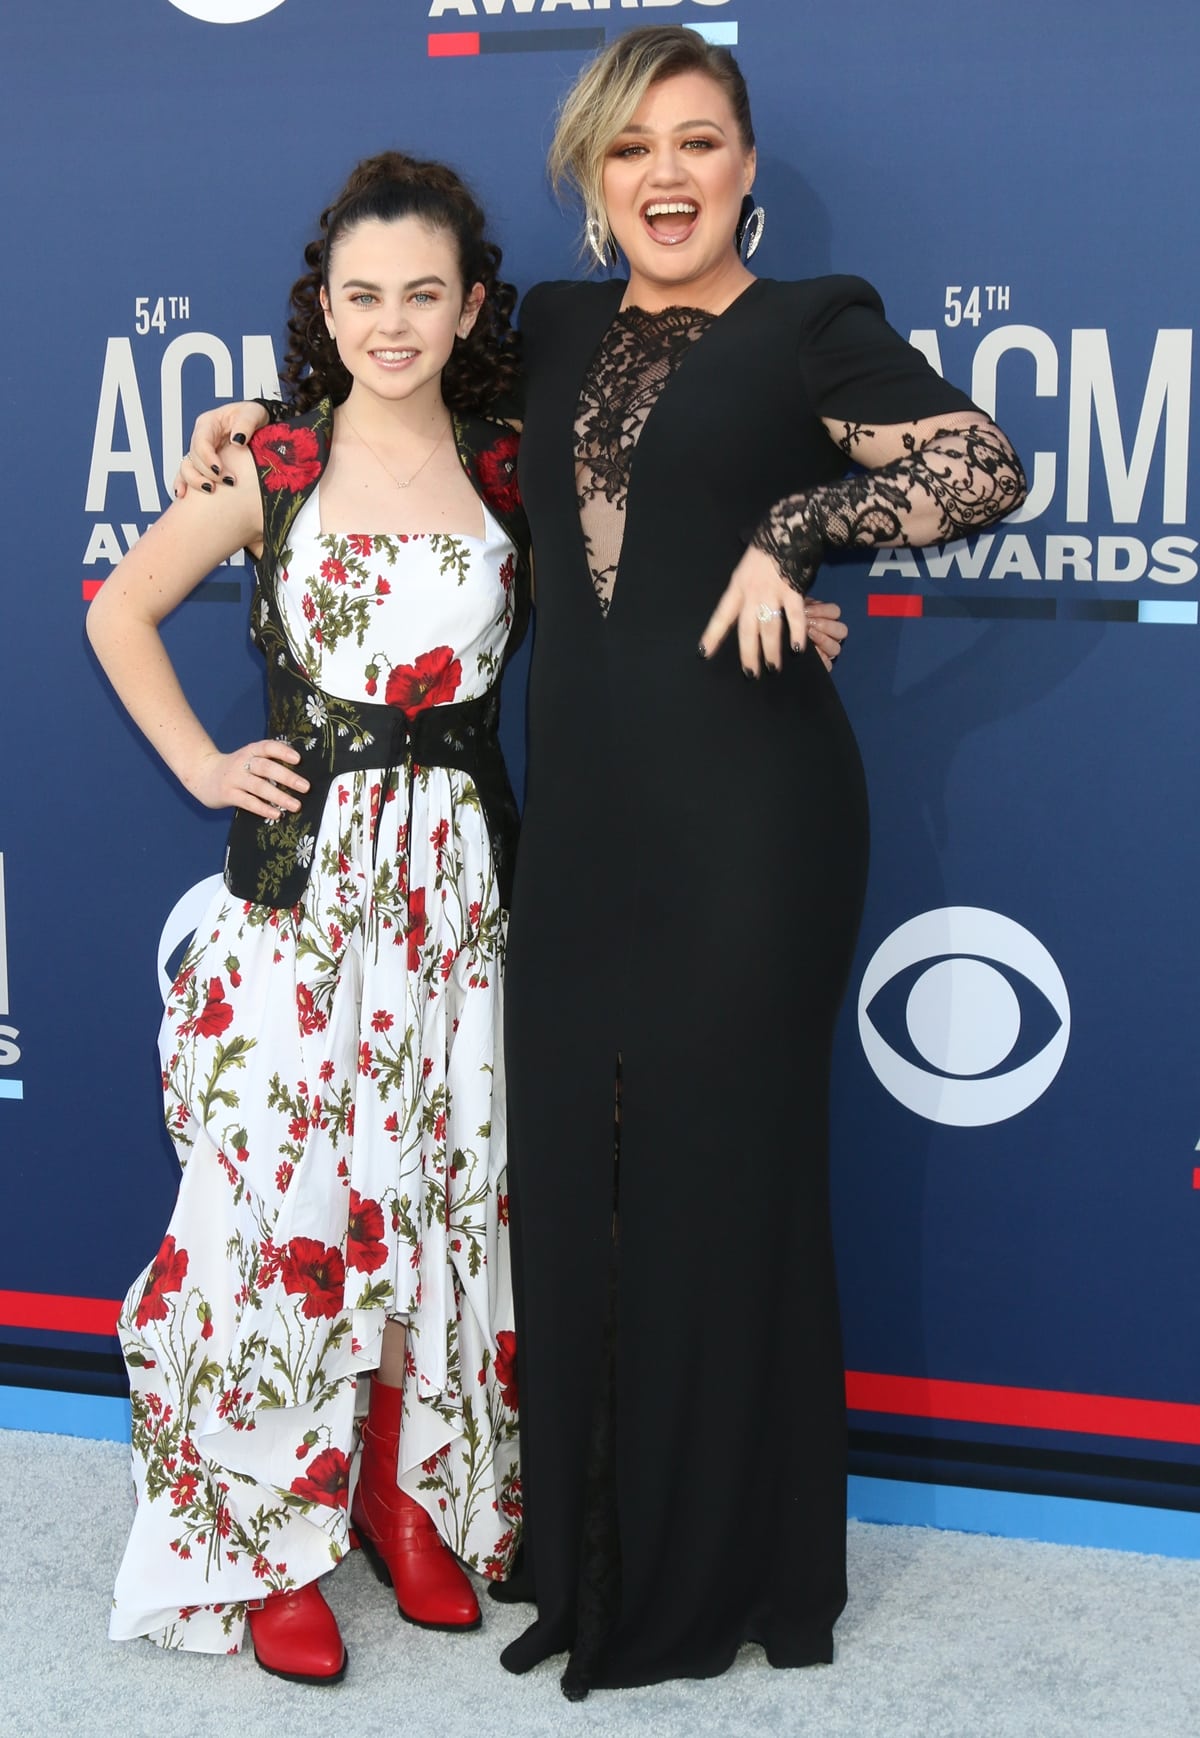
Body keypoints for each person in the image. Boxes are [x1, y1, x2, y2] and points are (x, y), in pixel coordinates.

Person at [179, 25, 1024, 1700]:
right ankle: (578, 1546)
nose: (666, 177)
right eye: (632, 149)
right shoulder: (547, 333)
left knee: (723, 1176)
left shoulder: (813, 326)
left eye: (699, 144)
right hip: (566, 832)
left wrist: (795, 533)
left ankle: (726, 1564)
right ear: (590, 175)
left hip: (756, 819)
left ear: (746, 169)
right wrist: (241, 426)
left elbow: (980, 463)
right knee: (572, 1184)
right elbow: (382, 404)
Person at [88, 151, 532, 1684]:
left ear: (470, 304)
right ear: (323, 305)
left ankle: (411, 1504)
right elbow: (117, 611)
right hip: (298, 896)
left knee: (431, 1195)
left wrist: (787, 580)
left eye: (423, 294)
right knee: (280, 1203)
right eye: (363, 295)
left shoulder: (512, 461)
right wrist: (205, 759)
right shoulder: (265, 463)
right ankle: (270, 1530)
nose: (393, 323)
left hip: (455, 903)